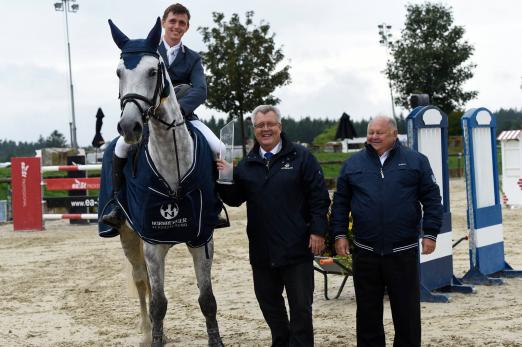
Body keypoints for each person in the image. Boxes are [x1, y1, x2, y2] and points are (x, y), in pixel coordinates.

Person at [216, 105, 330, 346]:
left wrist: (318, 231)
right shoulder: (247, 165)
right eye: (260, 126)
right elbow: (235, 199)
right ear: (254, 130)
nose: (265, 129)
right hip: (262, 251)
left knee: (300, 307)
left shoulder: (302, 157)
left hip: (297, 248)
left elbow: (319, 197)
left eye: (270, 124)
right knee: (269, 304)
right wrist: (226, 177)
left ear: (280, 126)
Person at [103, 3, 223, 228]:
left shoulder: (193, 58)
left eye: (182, 23)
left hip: (185, 117)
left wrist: (181, 111)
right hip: (148, 118)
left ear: (187, 27)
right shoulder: (148, 52)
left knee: (219, 148)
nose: (177, 26)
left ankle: (214, 204)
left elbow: (200, 90)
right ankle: (117, 205)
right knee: (117, 148)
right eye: (173, 21)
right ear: (163, 24)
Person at [330, 115, 443, 347]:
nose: (374, 136)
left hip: (403, 250)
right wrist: (339, 234)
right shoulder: (353, 164)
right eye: (371, 131)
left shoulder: (416, 161)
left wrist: (430, 233)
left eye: (379, 132)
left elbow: (432, 199)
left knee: (407, 313)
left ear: (394, 134)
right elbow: (340, 202)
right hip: (366, 251)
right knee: (367, 313)